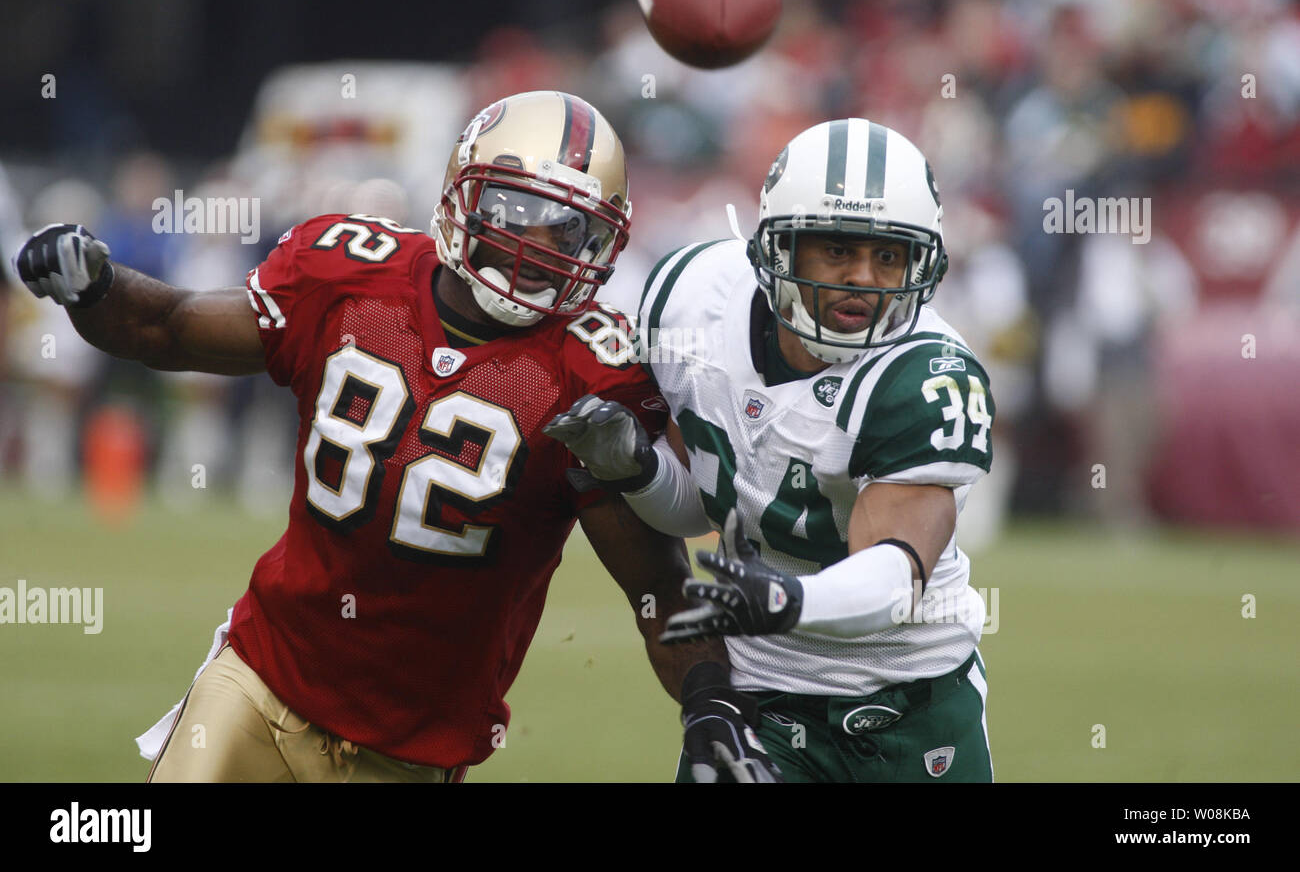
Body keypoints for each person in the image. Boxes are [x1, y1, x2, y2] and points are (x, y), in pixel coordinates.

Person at [13, 90, 775, 783]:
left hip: (413, 746)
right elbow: (169, 327)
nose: (537, 243)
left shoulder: (593, 372)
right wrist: (93, 288)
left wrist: (710, 706)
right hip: (262, 676)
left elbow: (657, 586)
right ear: (461, 196)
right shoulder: (347, 276)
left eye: (566, 225)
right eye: (514, 210)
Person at [545, 118, 996, 782]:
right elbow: (694, 513)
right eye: (838, 251)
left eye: (889, 256)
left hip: (911, 697)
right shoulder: (691, 301)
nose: (865, 279)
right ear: (779, 248)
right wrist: (638, 471)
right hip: (760, 690)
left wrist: (789, 600)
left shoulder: (926, 376)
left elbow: (896, 577)